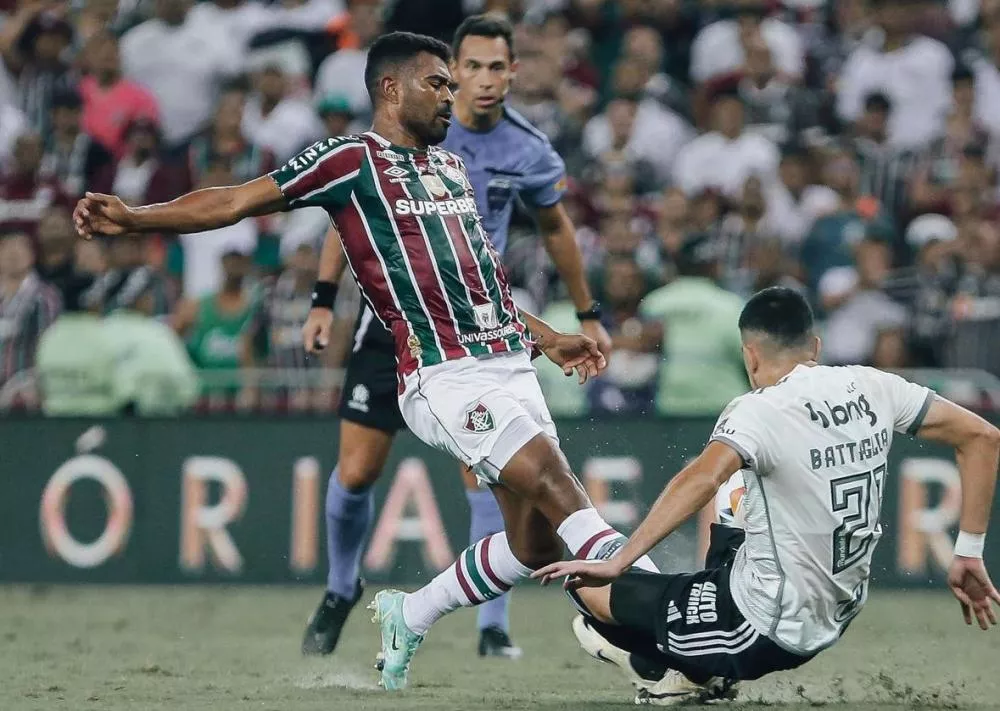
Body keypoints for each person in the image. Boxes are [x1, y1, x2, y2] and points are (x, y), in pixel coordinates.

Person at [73, 30, 639, 692]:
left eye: (454, 87)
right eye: (439, 83)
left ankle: (411, 611)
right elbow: (233, 200)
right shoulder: (349, 159)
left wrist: (549, 336)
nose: (451, 98)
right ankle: (661, 616)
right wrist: (136, 217)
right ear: (390, 88)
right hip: (441, 375)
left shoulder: (450, 168)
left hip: (508, 360)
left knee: (536, 544)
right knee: (553, 483)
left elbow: (482, 280)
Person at [297, 15, 611, 662]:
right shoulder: (405, 133)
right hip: (395, 326)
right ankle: (339, 589)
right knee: (357, 470)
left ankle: (492, 626)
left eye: (499, 67)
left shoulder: (527, 150)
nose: (484, 80)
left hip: (482, 333)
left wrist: (586, 314)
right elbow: (345, 213)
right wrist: (323, 299)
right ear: (452, 70)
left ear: (513, 72)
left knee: (503, 486)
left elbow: (556, 230)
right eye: (472, 68)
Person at [531, 287, 1000, 706]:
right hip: (839, 607)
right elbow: (983, 437)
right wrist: (969, 552)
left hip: (762, 627)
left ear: (749, 355)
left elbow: (700, 479)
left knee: (589, 586)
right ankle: (698, 648)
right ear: (814, 347)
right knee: (742, 484)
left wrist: (620, 561)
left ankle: (677, 672)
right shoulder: (875, 385)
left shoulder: (758, 409)